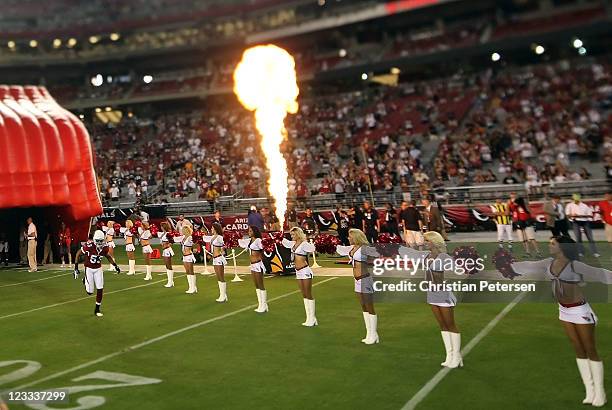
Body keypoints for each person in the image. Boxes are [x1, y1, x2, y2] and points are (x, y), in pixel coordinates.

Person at [511, 236, 611, 406]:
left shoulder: (575, 265)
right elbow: (528, 266)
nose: (550, 246)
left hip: (580, 311)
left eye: (553, 243)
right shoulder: (548, 262)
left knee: (590, 349)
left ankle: (600, 392)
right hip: (564, 311)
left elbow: (602, 275)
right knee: (579, 350)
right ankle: (589, 390)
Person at [399, 232, 463, 368]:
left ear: (434, 242)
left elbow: (457, 271)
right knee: (442, 326)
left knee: (450, 325)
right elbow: (411, 254)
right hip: (431, 294)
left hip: (443, 294)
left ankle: (457, 356)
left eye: (427, 240)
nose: (425, 242)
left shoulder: (444, 257)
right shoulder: (426, 256)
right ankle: (449, 355)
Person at [336, 228, 379, 345]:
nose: (348, 238)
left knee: (370, 308)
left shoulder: (364, 248)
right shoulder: (352, 248)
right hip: (357, 280)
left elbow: (376, 256)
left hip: (365, 279)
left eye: (350, 236)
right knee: (364, 307)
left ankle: (374, 334)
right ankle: (369, 333)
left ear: (356, 237)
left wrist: (370, 262)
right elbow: (340, 250)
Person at [73, 230, 121, 317]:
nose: (99, 242)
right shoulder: (89, 246)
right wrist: (75, 268)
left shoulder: (105, 247)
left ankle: (97, 309)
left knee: (100, 288)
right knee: (90, 292)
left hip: (98, 268)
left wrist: (115, 265)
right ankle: (85, 280)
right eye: (98, 240)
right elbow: (78, 253)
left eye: (101, 240)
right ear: (95, 240)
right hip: (89, 269)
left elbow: (108, 256)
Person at [282, 227, 317, 326]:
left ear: (298, 234)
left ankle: (312, 318)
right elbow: (284, 242)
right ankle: (309, 318)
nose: (291, 236)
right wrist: (278, 236)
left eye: (293, 234)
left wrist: (313, 243)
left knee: (308, 294)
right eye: (291, 235)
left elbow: (312, 249)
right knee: (304, 295)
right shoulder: (293, 243)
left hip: (305, 270)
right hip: (298, 272)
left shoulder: (304, 244)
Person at [238, 226, 268, 313]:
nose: (249, 232)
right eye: (249, 230)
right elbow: (241, 243)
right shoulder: (250, 240)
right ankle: (261, 304)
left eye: (251, 231)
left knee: (260, 285)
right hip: (252, 265)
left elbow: (264, 248)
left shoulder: (258, 240)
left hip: (258, 264)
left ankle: (264, 304)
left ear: (255, 231)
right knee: (256, 285)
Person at [203, 223, 228, 302]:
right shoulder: (213, 237)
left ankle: (223, 295)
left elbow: (225, 245)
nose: (211, 229)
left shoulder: (220, 237)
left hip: (219, 258)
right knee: (218, 277)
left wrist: (223, 251)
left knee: (221, 277)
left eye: (213, 228)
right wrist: (210, 254)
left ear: (216, 229)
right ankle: (223, 295)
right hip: (215, 259)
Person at [175, 225, 198, 294]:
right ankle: (190, 287)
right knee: (187, 272)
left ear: (186, 230)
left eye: (182, 230)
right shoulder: (183, 238)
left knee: (191, 271)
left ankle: (193, 287)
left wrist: (194, 248)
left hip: (189, 256)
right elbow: (175, 239)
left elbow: (195, 242)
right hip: (184, 256)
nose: (181, 231)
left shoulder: (190, 237)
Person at [158, 221, 175, 288]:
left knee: (169, 266)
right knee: (167, 266)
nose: (161, 227)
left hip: (167, 250)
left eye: (162, 226)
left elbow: (172, 241)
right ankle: (170, 281)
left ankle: (170, 282)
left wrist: (167, 246)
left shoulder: (168, 233)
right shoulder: (164, 233)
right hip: (165, 250)